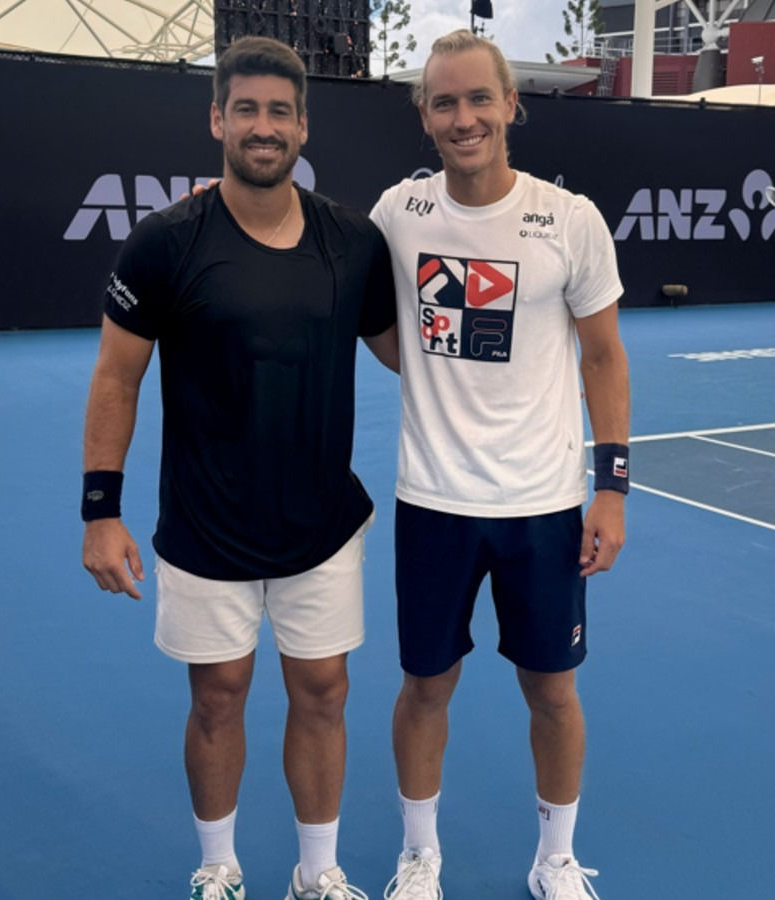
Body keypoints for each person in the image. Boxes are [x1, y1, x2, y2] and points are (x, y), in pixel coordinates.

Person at [81, 35, 397, 900]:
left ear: (304, 125)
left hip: (323, 523)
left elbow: (407, 355)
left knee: (323, 692)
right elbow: (117, 374)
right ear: (218, 118)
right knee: (218, 697)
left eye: (280, 112)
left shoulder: (354, 242)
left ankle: (318, 873)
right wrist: (99, 511)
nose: (264, 127)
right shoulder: (164, 243)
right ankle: (219, 867)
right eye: (247, 109)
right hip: (205, 523)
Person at [369, 29, 630, 900]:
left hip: (546, 505)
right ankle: (419, 855)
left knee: (552, 691)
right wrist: (430, 369)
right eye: (445, 101)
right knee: (424, 686)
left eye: (480, 98)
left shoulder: (571, 220)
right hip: (433, 502)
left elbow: (603, 359)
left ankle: (554, 857)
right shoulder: (397, 215)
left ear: (512, 105)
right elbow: (378, 323)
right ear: (424, 116)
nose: (464, 116)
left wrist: (613, 490)